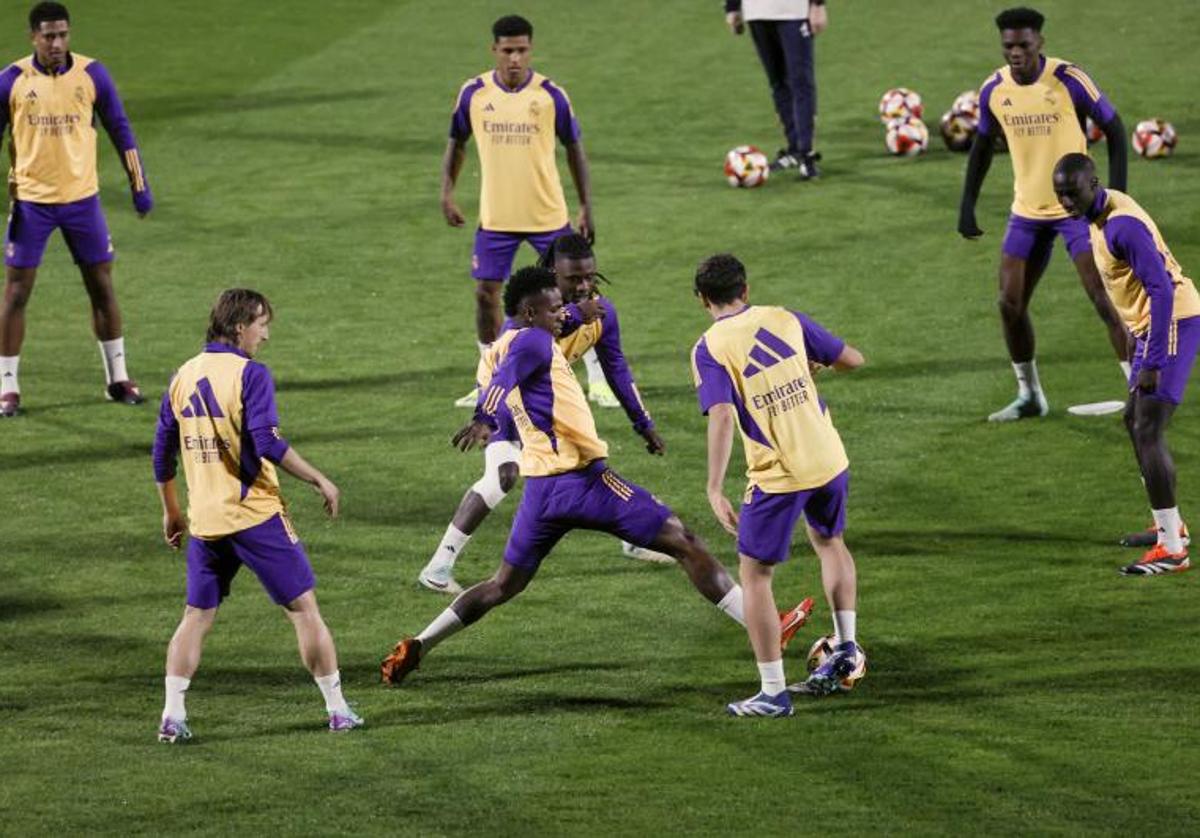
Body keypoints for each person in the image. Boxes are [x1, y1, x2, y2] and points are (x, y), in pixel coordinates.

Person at [382, 267, 813, 691]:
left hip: (542, 491)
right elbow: (504, 379)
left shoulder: (502, 344)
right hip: (585, 483)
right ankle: (767, 627)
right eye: (554, 310)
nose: (561, 315)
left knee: (502, 585)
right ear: (531, 314)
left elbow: (515, 358)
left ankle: (419, 644)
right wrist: (481, 417)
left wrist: (581, 311)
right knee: (685, 542)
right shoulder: (532, 340)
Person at [151, 289, 362, 742]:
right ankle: (338, 708)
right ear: (239, 325)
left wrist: (172, 512)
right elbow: (266, 442)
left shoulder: (182, 375)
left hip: (205, 521)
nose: (265, 334)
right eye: (262, 324)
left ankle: (172, 715)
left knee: (196, 615)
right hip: (255, 515)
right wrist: (319, 479)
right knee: (305, 612)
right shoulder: (251, 375)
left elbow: (161, 454)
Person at [417, 234, 669, 595]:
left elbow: (617, 369)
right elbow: (509, 366)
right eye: (573, 279)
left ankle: (634, 534)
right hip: (506, 396)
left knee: (586, 457)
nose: (584, 286)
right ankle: (439, 566)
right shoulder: (529, 310)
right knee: (504, 474)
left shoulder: (601, 313)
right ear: (554, 273)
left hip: (548, 404)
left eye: (589, 277)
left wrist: (643, 423)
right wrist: (485, 418)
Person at [692, 254, 864, 716]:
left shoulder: (709, 347)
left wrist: (713, 486)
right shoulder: (784, 318)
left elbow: (723, 414)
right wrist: (809, 368)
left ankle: (773, 692)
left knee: (755, 576)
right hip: (829, 456)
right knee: (830, 542)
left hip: (780, 474)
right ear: (745, 290)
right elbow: (852, 359)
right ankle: (847, 647)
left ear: (703, 300)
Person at [957, 6, 1130, 422]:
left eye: (1023, 45)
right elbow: (982, 147)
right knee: (1008, 303)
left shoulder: (1069, 79)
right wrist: (967, 205)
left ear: (1040, 43)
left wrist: (1116, 196)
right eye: (1008, 46)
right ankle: (1030, 395)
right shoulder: (994, 90)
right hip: (1027, 212)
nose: (1015, 53)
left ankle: (1140, 392)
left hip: (1077, 212)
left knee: (1104, 298)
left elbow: (1116, 128)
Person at [442, 15, 614, 410]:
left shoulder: (551, 95)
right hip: (496, 217)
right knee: (486, 295)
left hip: (548, 215)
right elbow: (457, 142)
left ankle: (597, 374)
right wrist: (447, 192)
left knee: (578, 291)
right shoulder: (474, 93)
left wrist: (586, 205)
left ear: (530, 49)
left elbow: (575, 150)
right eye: (507, 51)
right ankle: (487, 375)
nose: (515, 58)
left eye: (521, 50)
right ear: (495, 51)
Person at [0, 2, 153, 418]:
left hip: (82, 202)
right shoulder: (12, 80)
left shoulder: (92, 74)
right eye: (49, 36)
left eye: (63, 34)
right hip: (32, 203)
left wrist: (140, 187)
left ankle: (118, 378)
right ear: (33, 36)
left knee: (102, 287)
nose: (57, 43)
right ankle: (7, 387)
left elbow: (121, 129)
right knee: (16, 292)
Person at [1053, 154, 1199, 575]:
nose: (1065, 202)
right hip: (1151, 326)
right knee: (1134, 420)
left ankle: (1173, 550)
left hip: (1170, 321)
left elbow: (1162, 289)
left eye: (1072, 193)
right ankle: (1169, 527)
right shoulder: (1104, 209)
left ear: (1093, 183)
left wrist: (1151, 358)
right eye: (1060, 194)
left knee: (1148, 427)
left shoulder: (1120, 226)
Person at [723, 0, 827, 179]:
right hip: (756, 12)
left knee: (801, 83)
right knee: (778, 82)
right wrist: (732, 7)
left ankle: (806, 154)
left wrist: (817, 4)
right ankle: (794, 149)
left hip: (794, 11)